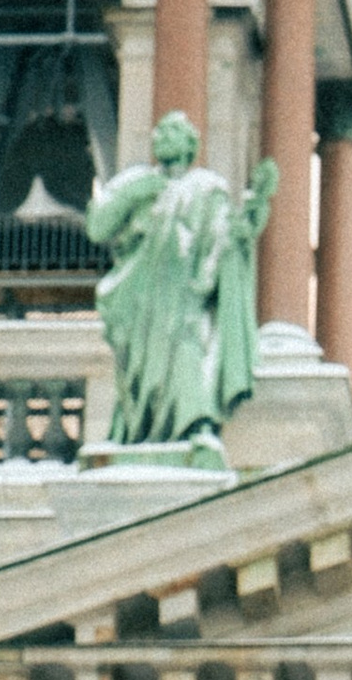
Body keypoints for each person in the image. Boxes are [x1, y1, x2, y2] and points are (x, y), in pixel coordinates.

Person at [87, 112, 274, 455]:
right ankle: (136, 428)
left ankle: (196, 424)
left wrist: (252, 212)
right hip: (140, 297)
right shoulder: (138, 182)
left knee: (189, 351)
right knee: (139, 368)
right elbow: (99, 227)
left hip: (185, 294)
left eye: (174, 131)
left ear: (191, 144)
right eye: (159, 131)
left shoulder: (207, 188)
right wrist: (135, 192)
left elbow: (226, 237)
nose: (162, 136)